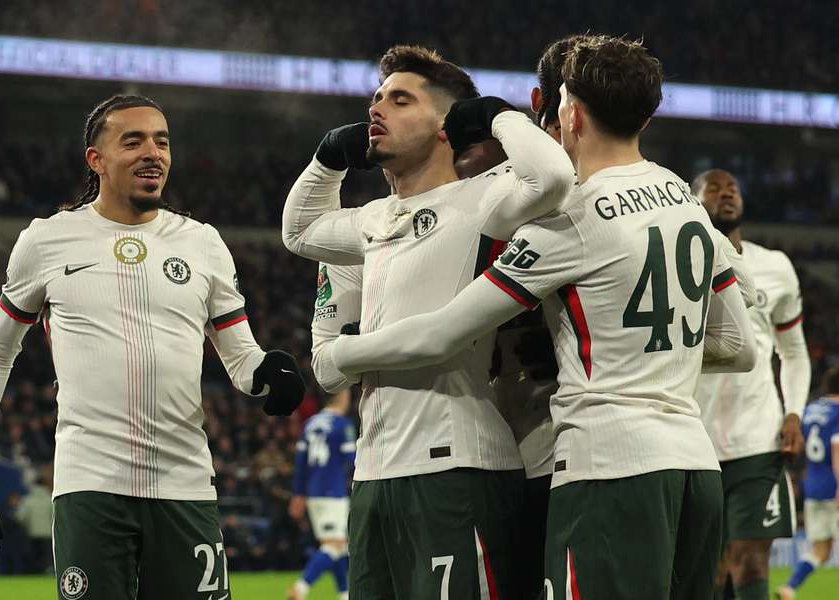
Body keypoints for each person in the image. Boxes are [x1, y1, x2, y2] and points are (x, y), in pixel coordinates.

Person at [327, 35, 758, 599]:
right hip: (695, 466)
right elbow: (740, 347)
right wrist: (638, 344)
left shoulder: (565, 216)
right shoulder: (683, 197)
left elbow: (442, 333)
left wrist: (340, 353)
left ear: (568, 113)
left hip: (602, 464)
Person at [0, 94, 305, 600]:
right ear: (96, 159)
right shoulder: (46, 241)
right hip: (91, 487)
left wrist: (268, 373)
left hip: (185, 487)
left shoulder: (203, 243)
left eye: (162, 141)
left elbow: (241, 357)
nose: (152, 153)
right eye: (133, 141)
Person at [282, 45, 573, 599]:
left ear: (447, 126)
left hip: (459, 466)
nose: (376, 108)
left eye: (400, 100)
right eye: (376, 98)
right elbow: (298, 232)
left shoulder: (484, 196)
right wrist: (328, 157)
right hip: (373, 475)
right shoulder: (371, 220)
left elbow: (553, 176)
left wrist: (497, 115)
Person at [692, 169, 811, 600]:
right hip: (694, 439)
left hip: (759, 439)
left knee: (751, 561)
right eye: (713, 188)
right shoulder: (677, 263)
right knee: (706, 568)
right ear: (692, 199)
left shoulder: (775, 267)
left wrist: (794, 412)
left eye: (733, 188)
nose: (726, 194)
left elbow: (793, 352)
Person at [778, 365, 839, 599]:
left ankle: (790, 587)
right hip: (834, 487)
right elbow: (837, 449)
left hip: (813, 487)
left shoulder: (810, 410)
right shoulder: (838, 412)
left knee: (822, 549)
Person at [288, 389, 356, 600]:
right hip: (333, 491)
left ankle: (344, 593)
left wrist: (298, 493)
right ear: (344, 397)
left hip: (314, 492)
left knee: (339, 544)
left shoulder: (310, 424)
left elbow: (301, 462)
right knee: (334, 545)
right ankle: (301, 587)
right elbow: (353, 460)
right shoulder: (342, 425)